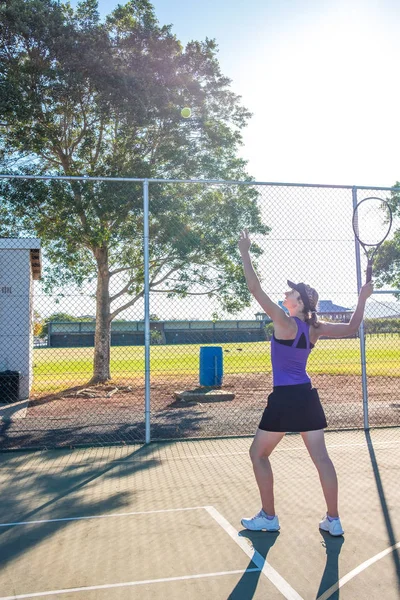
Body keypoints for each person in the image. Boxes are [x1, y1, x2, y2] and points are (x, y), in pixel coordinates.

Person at [238, 229, 373, 536]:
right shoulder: (316, 328)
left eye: (290, 294)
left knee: (257, 454)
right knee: (321, 458)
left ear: (298, 303)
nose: (285, 296)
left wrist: (245, 252)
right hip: (307, 397)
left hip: (284, 399)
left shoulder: (284, 322)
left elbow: (253, 287)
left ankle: (269, 517)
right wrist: (362, 298)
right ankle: (333, 519)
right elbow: (353, 326)